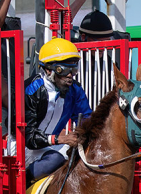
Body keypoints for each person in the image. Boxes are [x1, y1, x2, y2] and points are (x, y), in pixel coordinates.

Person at [24, 38, 92, 182]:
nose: (70, 75)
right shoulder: (31, 89)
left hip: (52, 146)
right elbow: (29, 138)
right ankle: (22, 183)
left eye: (73, 69)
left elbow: (87, 119)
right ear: (48, 69)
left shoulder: (75, 90)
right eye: (64, 69)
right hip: (24, 147)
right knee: (55, 160)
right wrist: (60, 139)